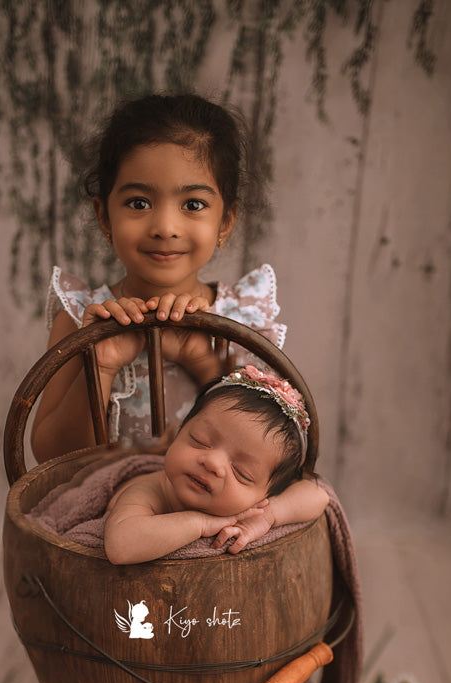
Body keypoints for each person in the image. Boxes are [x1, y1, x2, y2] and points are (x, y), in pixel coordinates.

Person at [31, 92, 287, 462]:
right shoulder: (81, 316)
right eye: (139, 203)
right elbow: (52, 459)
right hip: (111, 510)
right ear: (105, 217)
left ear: (226, 222)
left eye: (193, 205)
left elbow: (270, 455)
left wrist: (204, 361)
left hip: (216, 512)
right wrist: (101, 364)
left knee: (313, 495)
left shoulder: (244, 319)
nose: (165, 227)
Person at [104, 366, 329, 564]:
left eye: (241, 473)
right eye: (200, 441)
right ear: (178, 431)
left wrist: (269, 515)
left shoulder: (257, 507)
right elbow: (120, 547)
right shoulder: (152, 490)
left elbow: (320, 496)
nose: (212, 463)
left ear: (263, 495)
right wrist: (200, 524)